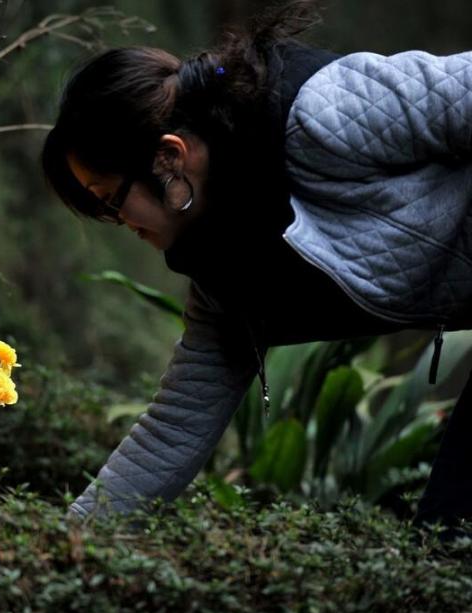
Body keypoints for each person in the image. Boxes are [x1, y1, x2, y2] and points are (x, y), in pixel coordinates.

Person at [40, 0, 472, 540]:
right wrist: (66, 543)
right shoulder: (224, 282)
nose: (115, 220)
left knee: (451, 536)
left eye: (111, 199)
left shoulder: (327, 112)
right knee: (449, 540)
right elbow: (174, 429)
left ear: (169, 157)